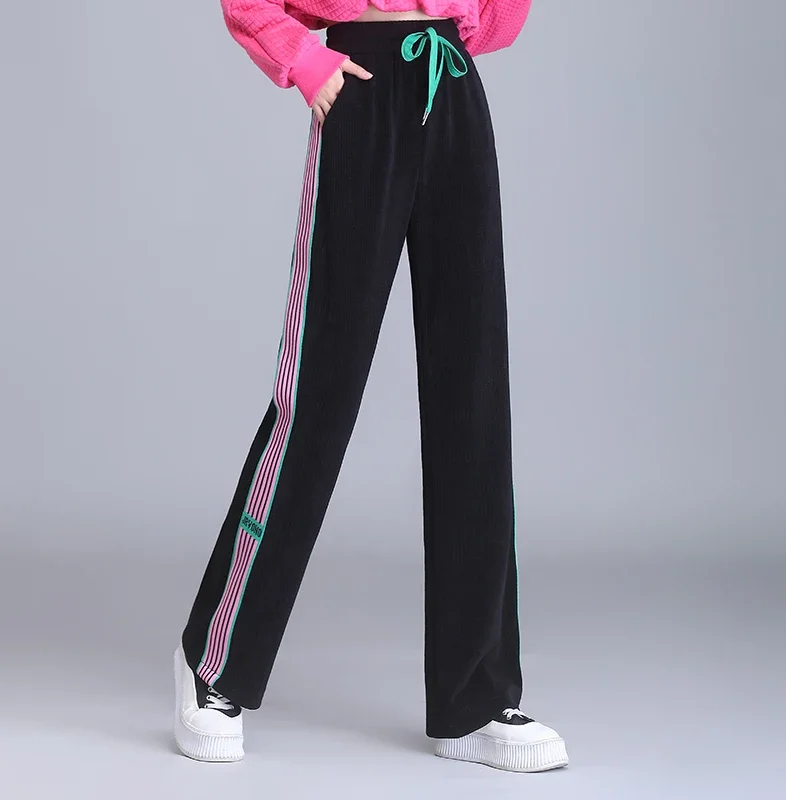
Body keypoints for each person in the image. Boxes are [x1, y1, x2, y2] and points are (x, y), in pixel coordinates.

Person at [172, 0, 569, 773]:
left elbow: (500, 17)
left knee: (475, 394)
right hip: (360, 83)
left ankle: (473, 696)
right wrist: (303, 59)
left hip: (452, 84)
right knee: (318, 390)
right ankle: (213, 659)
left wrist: (463, 27)